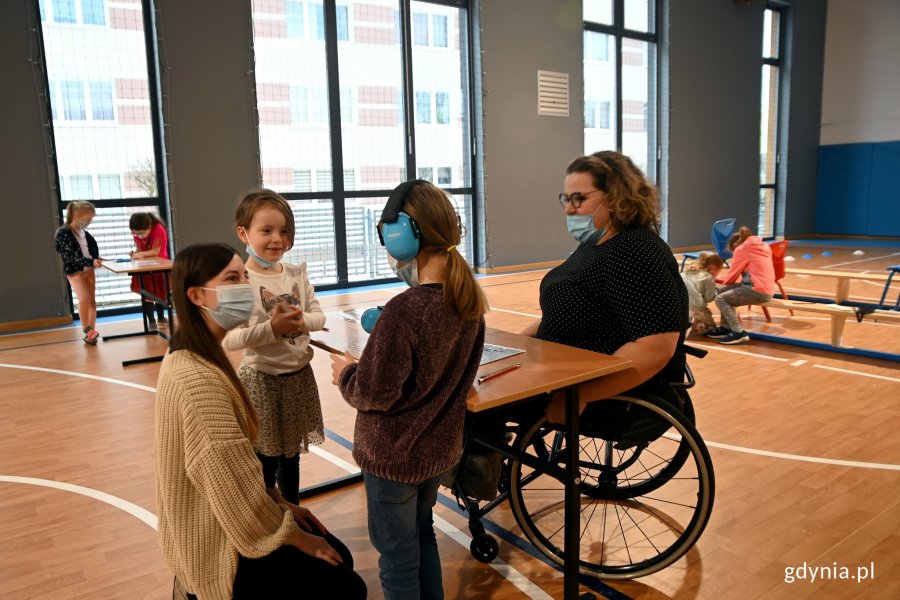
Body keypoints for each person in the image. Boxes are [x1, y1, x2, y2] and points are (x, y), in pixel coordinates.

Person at [155, 242, 366, 600]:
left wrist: (282, 504)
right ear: (196, 296)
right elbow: (233, 496)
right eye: (232, 279)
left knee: (337, 554)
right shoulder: (198, 381)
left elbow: (238, 477)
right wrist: (293, 535)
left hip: (229, 520)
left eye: (244, 276)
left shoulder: (198, 352)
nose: (245, 286)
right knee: (347, 586)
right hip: (216, 547)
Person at [330, 180, 487, 600]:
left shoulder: (403, 311)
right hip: (437, 454)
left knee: (397, 560)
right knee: (423, 537)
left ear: (402, 233)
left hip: (392, 461)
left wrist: (346, 373)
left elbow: (375, 392)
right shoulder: (467, 302)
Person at [522, 151, 689, 424]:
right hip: (558, 371)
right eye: (566, 198)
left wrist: (583, 395)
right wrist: (514, 348)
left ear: (616, 198)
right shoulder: (594, 245)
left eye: (579, 198)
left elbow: (655, 348)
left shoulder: (636, 251)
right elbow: (567, 312)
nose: (568, 208)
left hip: (595, 389)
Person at [222, 190, 325, 505]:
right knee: (264, 460)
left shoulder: (296, 273)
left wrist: (298, 322)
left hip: (297, 380)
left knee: (290, 457)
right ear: (244, 233)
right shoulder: (239, 280)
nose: (277, 238)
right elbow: (228, 339)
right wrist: (272, 328)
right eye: (266, 230)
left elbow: (318, 318)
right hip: (261, 382)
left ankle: (292, 515)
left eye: (283, 231)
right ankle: (266, 519)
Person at [705, 226, 774, 344]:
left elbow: (733, 274)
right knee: (722, 292)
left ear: (735, 245)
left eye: (732, 252)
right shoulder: (763, 246)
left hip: (757, 290)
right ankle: (725, 328)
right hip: (763, 287)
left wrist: (718, 281)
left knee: (720, 298)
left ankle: (738, 332)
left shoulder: (742, 249)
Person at [54, 201, 102, 345]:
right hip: (75, 271)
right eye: (88, 219)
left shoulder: (84, 233)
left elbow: (89, 251)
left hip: (89, 270)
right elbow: (70, 256)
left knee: (91, 301)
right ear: (76, 215)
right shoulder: (63, 232)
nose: (89, 222)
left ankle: (91, 334)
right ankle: (86, 328)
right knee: (84, 298)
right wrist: (90, 262)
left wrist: (95, 259)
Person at [128, 212, 170, 329]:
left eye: (141, 233)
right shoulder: (136, 232)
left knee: (160, 292)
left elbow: (156, 251)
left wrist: (140, 254)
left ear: (149, 227)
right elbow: (139, 247)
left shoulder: (158, 229)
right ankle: (151, 321)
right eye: (135, 233)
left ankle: (161, 317)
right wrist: (135, 253)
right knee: (146, 294)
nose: (138, 235)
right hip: (144, 266)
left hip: (160, 264)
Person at [681, 252, 724, 336]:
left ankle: (686, 324)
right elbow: (709, 298)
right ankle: (695, 326)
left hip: (679, 308)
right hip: (694, 309)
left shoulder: (685, 273)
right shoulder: (708, 277)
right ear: (714, 267)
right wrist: (716, 290)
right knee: (711, 328)